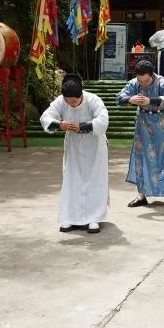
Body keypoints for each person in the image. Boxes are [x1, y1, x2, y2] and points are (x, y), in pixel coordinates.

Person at [40, 74, 110, 233]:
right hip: (73, 146)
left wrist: (83, 127)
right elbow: (46, 117)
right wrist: (59, 125)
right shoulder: (61, 101)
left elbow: (103, 120)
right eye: (68, 101)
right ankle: (70, 217)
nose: (70, 104)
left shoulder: (93, 100)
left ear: (81, 95)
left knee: (94, 179)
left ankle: (94, 218)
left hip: (94, 146)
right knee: (72, 179)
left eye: (74, 101)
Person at [117, 59, 164, 209]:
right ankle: (142, 195)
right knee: (141, 157)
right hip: (144, 124)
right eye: (140, 80)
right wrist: (130, 99)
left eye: (146, 80)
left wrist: (150, 100)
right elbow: (119, 98)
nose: (143, 83)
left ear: (152, 74)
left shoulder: (163, 82)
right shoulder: (134, 83)